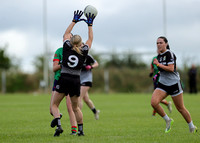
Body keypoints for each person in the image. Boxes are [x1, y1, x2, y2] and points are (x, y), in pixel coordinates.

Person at [50, 10, 95, 136]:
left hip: (64, 78)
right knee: (75, 108)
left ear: (70, 42)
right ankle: (81, 131)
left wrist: (74, 20)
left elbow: (66, 34)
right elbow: (90, 39)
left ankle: (58, 125)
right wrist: (90, 25)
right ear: (81, 43)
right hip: (75, 80)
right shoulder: (84, 50)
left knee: (54, 105)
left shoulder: (66, 47)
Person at [151, 36, 197, 133]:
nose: (158, 45)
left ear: (166, 44)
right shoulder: (159, 56)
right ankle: (168, 120)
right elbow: (163, 69)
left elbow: (171, 69)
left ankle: (192, 126)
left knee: (180, 108)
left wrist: (158, 65)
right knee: (154, 102)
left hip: (173, 84)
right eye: (157, 43)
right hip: (163, 84)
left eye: (160, 43)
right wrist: (158, 74)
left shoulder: (169, 54)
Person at [50, 45, 77, 136]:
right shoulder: (59, 51)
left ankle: (74, 130)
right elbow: (54, 68)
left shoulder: (76, 52)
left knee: (70, 106)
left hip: (70, 80)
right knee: (51, 109)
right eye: (66, 38)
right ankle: (58, 116)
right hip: (58, 80)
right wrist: (62, 64)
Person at [149, 50, 172, 116]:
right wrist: (151, 72)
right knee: (155, 98)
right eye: (158, 50)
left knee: (156, 98)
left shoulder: (164, 59)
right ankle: (167, 104)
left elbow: (170, 68)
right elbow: (152, 65)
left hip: (162, 81)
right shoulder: (154, 58)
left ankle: (154, 113)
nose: (158, 52)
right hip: (156, 80)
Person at [79, 54, 100, 120]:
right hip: (78, 79)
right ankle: (95, 111)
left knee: (79, 97)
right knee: (86, 99)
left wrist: (91, 67)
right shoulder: (75, 55)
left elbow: (96, 63)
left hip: (87, 79)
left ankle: (78, 116)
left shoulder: (87, 56)